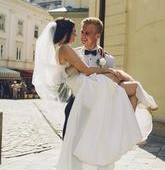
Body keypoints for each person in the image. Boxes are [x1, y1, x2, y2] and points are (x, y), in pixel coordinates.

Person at [32, 17, 158, 170]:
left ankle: (126, 128)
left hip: (99, 101)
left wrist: (108, 70)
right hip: (80, 99)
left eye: (87, 32)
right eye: (79, 32)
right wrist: (107, 71)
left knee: (101, 142)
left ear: (97, 35)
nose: (81, 36)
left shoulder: (107, 57)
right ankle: (136, 112)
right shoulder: (71, 51)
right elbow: (84, 70)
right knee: (72, 143)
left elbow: (113, 80)